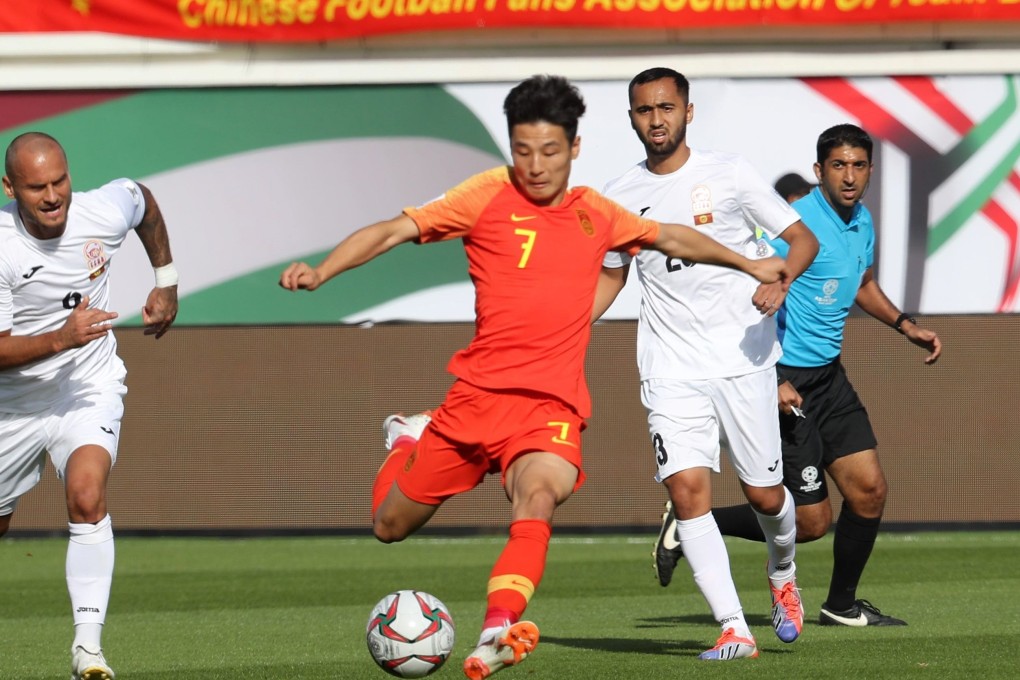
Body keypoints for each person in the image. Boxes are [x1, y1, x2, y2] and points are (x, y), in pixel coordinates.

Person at [279, 75, 787, 679]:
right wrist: (323, 271)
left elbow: (671, 236)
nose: (536, 165)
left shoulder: (595, 212)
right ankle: (410, 437)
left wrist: (748, 261)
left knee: (538, 496)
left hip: (549, 407)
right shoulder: (484, 196)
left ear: (573, 148)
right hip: (473, 403)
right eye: (523, 151)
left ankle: (497, 628)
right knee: (389, 526)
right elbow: (394, 229)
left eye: (549, 151)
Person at [653, 123, 942, 627]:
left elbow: (862, 282)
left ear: (870, 171)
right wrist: (770, 375)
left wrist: (903, 324)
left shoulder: (862, 221)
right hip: (783, 376)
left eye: (857, 165)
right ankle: (693, 521)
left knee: (870, 491)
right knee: (810, 524)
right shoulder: (795, 224)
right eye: (838, 165)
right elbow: (747, 286)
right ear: (818, 171)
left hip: (828, 377)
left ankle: (842, 605)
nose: (848, 176)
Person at [591, 67, 820, 661]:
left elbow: (802, 240)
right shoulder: (617, 193)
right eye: (644, 110)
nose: (657, 119)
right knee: (688, 490)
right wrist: (566, 325)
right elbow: (612, 276)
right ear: (632, 118)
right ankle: (733, 629)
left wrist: (783, 281)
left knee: (766, 495)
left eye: (667, 107)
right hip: (669, 366)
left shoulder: (729, 173)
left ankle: (782, 573)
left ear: (688, 112)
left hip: (743, 358)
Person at [0, 132, 179, 679]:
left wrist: (166, 281)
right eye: (37, 188)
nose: (53, 196)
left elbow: (143, 202)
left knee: (86, 493)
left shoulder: (100, 209)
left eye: (60, 181)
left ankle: (88, 652)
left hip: (87, 384)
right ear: (10, 188)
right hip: (13, 404)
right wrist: (60, 337)